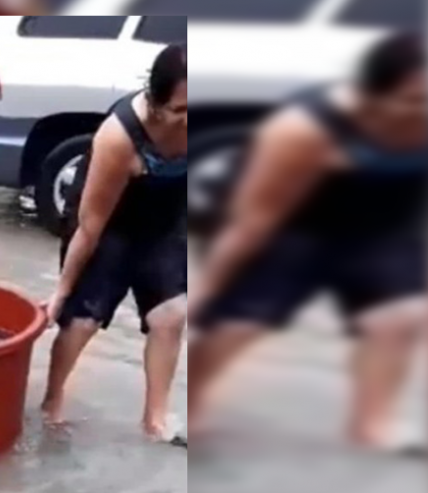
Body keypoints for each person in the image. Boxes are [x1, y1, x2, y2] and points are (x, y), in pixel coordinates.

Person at [188, 32, 426, 455]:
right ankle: (190, 406)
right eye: (415, 100)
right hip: (292, 226)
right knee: (240, 322)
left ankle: (372, 425)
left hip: (380, 227)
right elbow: (253, 220)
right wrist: (209, 291)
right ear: (373, 95)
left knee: (402, 317)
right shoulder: (303, 131)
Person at [41, 44, 188, 446]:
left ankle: (155, 420)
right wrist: (62, 293)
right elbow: (90, 227)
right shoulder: (119, 137)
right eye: (181, 110)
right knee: (83, 319)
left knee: (172, 314)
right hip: (107, 223)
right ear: (155, 103)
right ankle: (52, 403)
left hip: (162, 222)